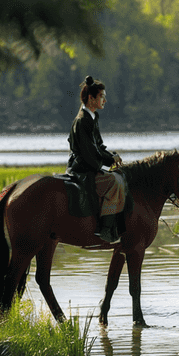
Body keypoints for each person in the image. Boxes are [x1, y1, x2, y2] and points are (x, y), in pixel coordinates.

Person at [66, 75, 125, 243]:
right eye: (102, 97)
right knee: (115, 182)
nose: (104, 100)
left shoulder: (92, 117)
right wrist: (109, 160)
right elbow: (90, 152)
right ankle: (105, 229)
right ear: (91, 98)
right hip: (81, 168)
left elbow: (98, 146)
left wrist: (112, 156)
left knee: (119, 176)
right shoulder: (82, 120)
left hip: (88, 164)